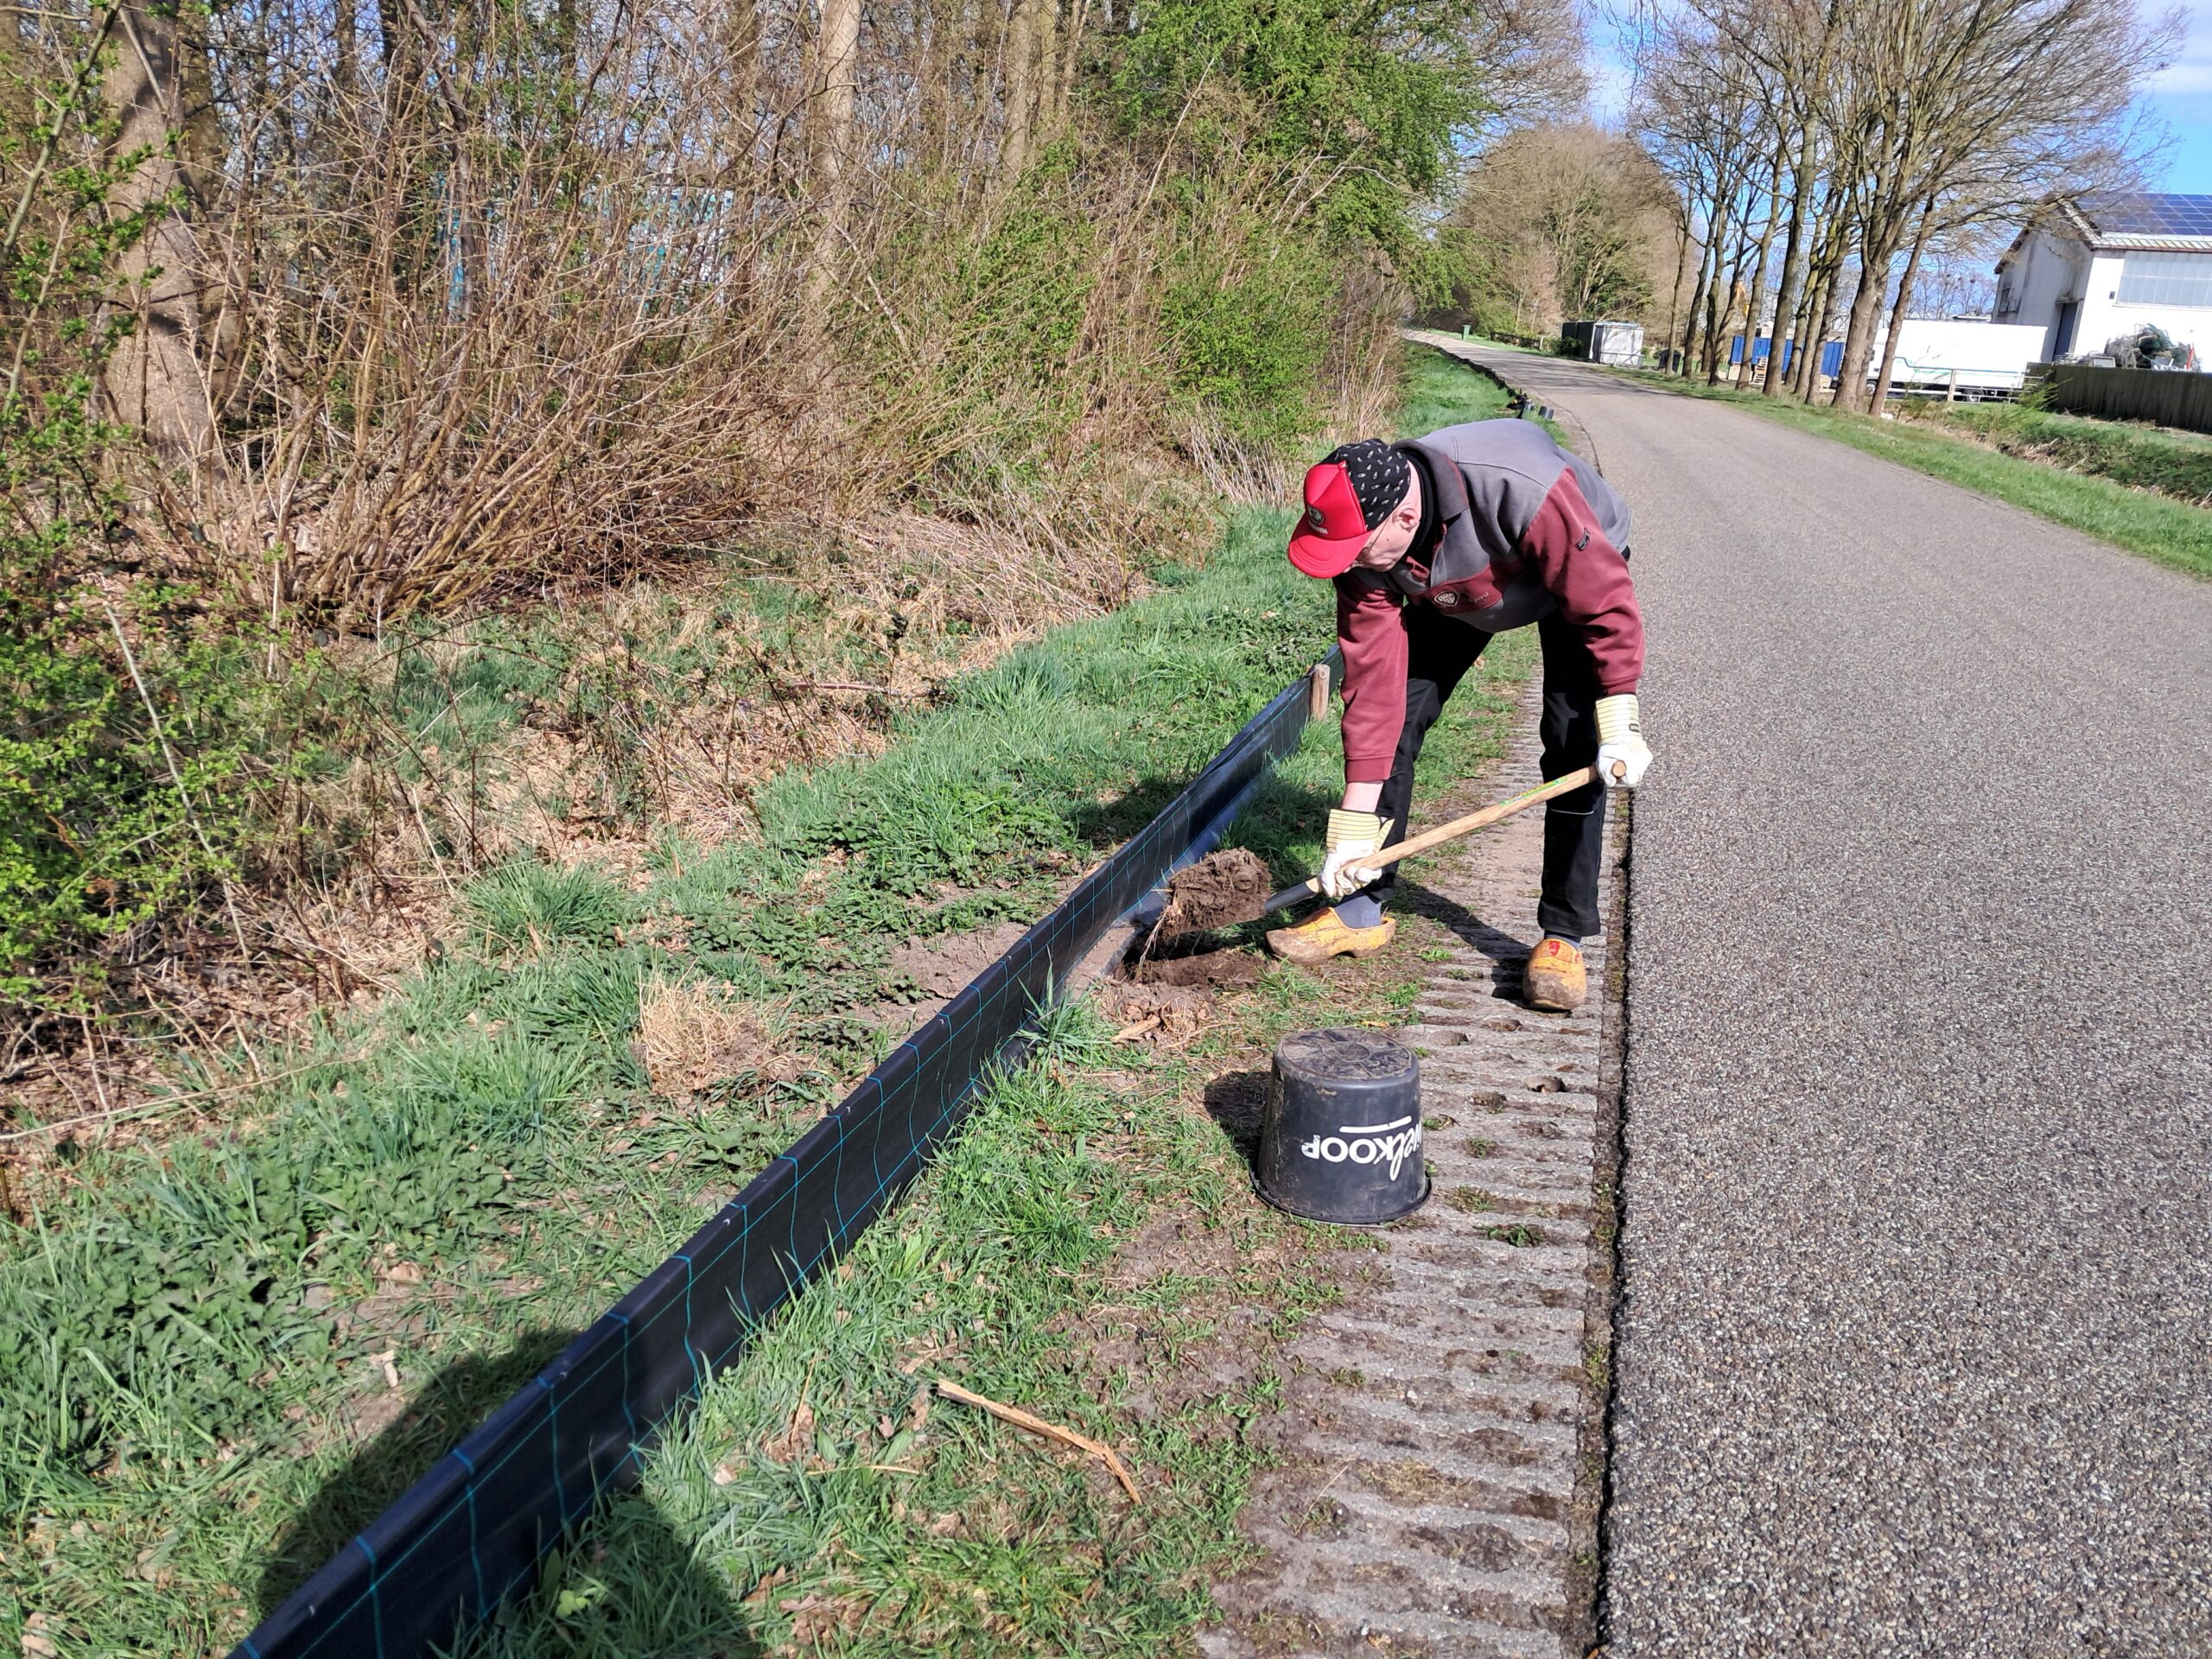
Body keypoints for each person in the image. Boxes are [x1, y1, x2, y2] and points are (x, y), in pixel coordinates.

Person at [1268, 421, 1651, 1013]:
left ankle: (1563, 936)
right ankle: (1359, 906)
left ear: (1401, 519)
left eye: (1355, 551)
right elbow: (1373, 686)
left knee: (1574, 739)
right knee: (1398, 721)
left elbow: (1604, 605)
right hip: (1453, 590)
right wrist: (1350, 835)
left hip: (1567, 570)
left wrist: (1621, 720)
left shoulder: (1520, 489)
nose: (1350, 566)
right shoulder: (1367, 546)